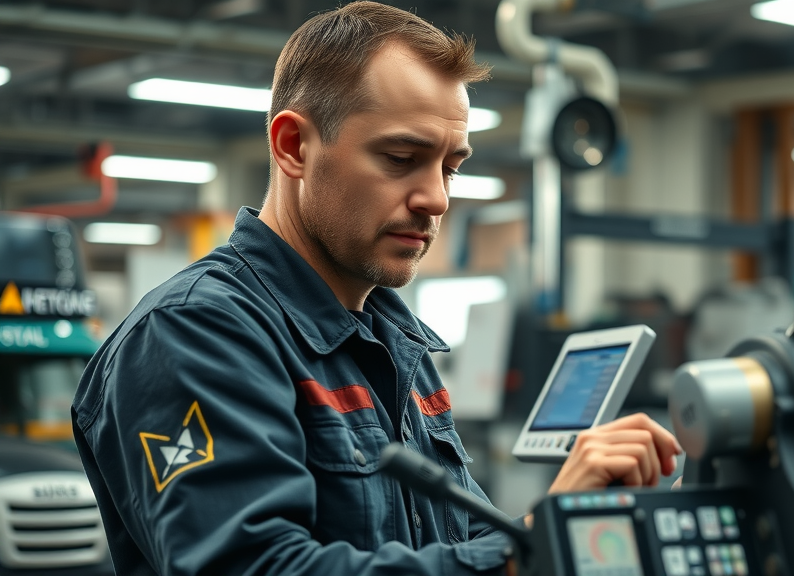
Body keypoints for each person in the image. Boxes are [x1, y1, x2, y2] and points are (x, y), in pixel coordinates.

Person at [71, 3, 682, 575]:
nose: (437, 198)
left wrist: (564, 525)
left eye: (450, 166)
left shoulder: (395, 344)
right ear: (293, 147)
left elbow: (462, 543)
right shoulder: (194, 334)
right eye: (399, 157)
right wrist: (536, 539)